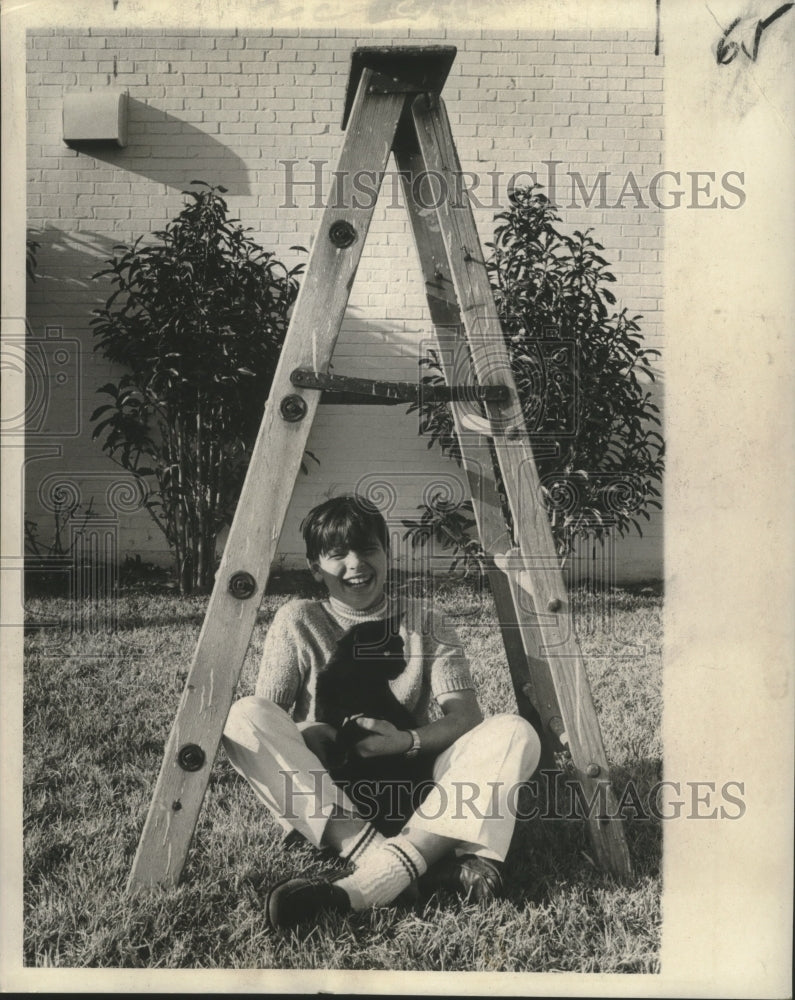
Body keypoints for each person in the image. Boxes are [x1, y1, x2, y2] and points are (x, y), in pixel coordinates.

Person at [222, 494, 541, 932]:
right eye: (338, 554)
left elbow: (465, 717)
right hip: (336, 794)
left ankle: (378, 876)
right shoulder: (297, 619)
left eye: (368, 549)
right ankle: (390, 859)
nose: (356, 563)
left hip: (415, 788)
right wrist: (313, 730)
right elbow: (269, 721)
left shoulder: (425, 618)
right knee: (242, 717)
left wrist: (404, 741)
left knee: (514, 732)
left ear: (386, 555)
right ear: (316, 567)